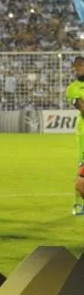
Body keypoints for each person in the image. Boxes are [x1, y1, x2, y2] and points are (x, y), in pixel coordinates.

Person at [67, 56, 84, 215]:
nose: (78, 69)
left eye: (81, 66)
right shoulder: (73, 88)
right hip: (83, 134)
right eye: (76, 66)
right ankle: (78, 205)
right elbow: (82, 109)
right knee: (82, 169)